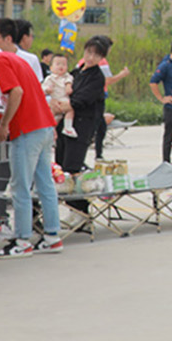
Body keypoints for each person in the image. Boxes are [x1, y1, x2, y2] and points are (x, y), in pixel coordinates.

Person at [0, 17, 62, 258]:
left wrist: (4, 124)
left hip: (27, 129)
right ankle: (52, 237)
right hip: (44, 126)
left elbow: (16, 92)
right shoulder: (22, 60)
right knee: (45, 184)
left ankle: (22, 240)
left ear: (7, 38)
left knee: (20, 187)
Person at [60, 37, 109, 216]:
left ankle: (81, 212)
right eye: (88, 52)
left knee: (73, 168)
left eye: (96, 55)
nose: (90, 57)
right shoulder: (77, 72)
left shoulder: (97, 77)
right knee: (62, 168)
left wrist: (66, 104)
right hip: (66, 124)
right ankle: (73, 209)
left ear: (101, 58)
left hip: (82, 127)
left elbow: (81, 99)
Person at [43, 54, 76, 138]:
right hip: (55, 100)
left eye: (64, 64)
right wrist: (47, 89)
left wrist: (68, 86)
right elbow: (43, 88)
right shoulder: (50, 78)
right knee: (51, 115)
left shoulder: (67, 76)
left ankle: (68, 127)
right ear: (51, 68)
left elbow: (69, 82)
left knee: (71, 110)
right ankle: (51, 131)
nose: (61, 66)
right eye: (58, 64)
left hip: (65, 100)